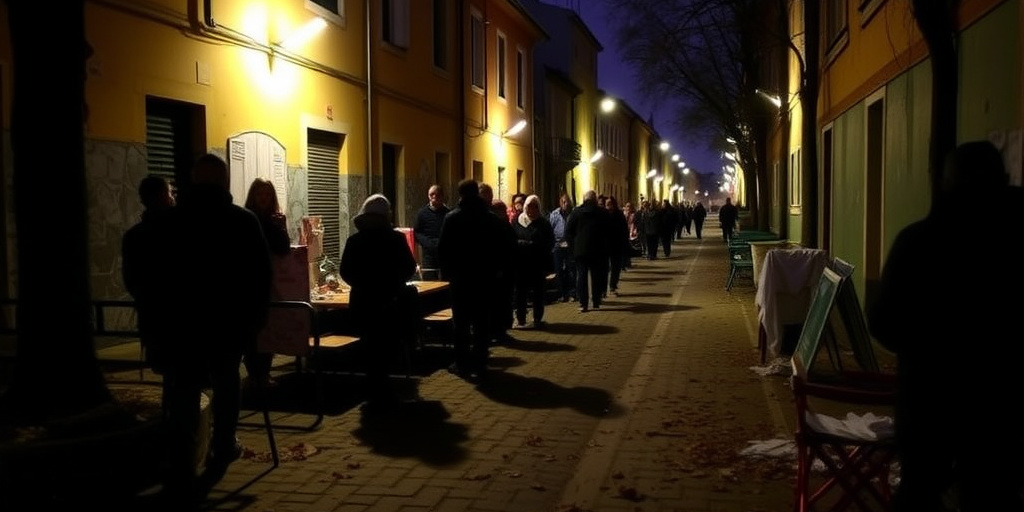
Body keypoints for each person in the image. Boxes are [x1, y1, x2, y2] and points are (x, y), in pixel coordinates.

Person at [867, 141, 1024, 512]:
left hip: (929, 400)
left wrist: (924, 344)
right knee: (996, 493)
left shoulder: (919, 241)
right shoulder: (1017, 237)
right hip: (1004, 404)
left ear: (946, 183)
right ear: (1002, 179)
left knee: (920, 492)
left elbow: (883, 322)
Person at [162, 153, 272, 507]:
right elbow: (260, 273)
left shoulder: (173, 221)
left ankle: (182, 459)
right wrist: (255, 319)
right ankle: (223, 445)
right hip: (229, 322)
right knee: (226, 382)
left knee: (185, 388)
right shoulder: (242, 221)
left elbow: (157, 273)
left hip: (185, 323)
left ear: (193, 181)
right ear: (224, 182)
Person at [340, 194, 418, 404]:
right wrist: (393, 284)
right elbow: (409, 268)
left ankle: (372, 390)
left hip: (363, 303)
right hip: (389, 302)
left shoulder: (354, 241)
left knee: (368, 346)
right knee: (386, 346)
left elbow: (345, 271)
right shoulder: (396, 239)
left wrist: (362, 285)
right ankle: (383, 390)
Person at [438, 179, 516, 380]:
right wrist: (497, 269)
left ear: (460, 194)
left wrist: (446, 273)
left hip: (461, 279)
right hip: (485, 278)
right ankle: (481, 361)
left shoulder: (452, 218)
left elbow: (444, 248)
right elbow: (502, 246)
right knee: (482, 321)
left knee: (461, 322)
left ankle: (462, 363)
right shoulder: (490, 218)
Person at [121, 175, 176, 375]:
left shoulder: (133, 236)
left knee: (165, 370)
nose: (173, 197)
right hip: (181, 317)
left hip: (151, 315)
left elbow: (131, 279)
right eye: (170, 192)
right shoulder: (180, 231)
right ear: (163, 195)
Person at [242, 178, 291, 390]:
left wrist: (281, 226)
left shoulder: (273, 219)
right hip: (248, 283)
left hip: (269, 283)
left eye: (268, 194)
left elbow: (283, 248)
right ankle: (255, 374)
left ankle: (264, 373)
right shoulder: (246, 219)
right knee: (252, 332)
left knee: (268, 329)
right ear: (253, 196)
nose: (264, 198)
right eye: (260, 194)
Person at [511, 194, 554, 329]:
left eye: (534, 207)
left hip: (537, 264)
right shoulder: (517, 221)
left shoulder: (543, 223)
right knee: (520, 293)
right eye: (529, 207)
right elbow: (511, 239)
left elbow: (549, 241)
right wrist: (522, 244)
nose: (531, 210)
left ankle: (537, 318)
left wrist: (537, 246)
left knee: (538, 293)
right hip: (521, 264)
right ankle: (521, 319)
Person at [565, 190, 610, 312]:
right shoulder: (602, 213)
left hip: (580, 250)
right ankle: (596, 301)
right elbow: (608, 232)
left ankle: (583, 303)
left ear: (584, 199)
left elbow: (568, 231)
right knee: (596, 275)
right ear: (595, 199)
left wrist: (573, 245)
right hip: (597, 249)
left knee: (581, 276)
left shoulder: (576, 212)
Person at [413, 184, 449, 280]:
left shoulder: (448, 214)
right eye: (432, 194)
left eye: (437, 194)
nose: (434, 197)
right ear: (428, 196)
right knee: (429, 281)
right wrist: (427, 242)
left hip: (444, 254)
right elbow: (416, 232)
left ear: (442, 196)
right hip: (428, 255)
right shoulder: (422, 214)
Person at [549, 194, 576, 302]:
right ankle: (562, 293)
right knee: (559, 270)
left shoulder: (573, 214)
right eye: (564, 202)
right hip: (558, 246)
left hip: (570, 246)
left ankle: (573, 292)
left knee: (571, 270)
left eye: (567, 202)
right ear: (560, 203)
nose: (566, 204)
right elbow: (550, 229)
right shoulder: (554, 214)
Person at [605, 196, 629, 296]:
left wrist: (624, 242)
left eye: (610, 204)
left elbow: (624, 229)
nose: (608, 206)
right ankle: (603, 289)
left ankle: (612, 286)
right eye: (607, 204)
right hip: (605, 245)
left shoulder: (619, 215)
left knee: (616, 267)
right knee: (604, 268)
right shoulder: (602, 215)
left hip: (616, 245)